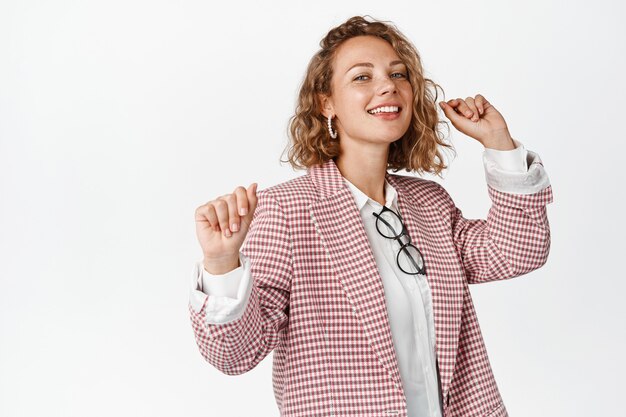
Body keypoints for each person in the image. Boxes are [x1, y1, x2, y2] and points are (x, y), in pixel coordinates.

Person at [189, 15, 552, 417]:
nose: (387, 85)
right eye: (362, 77)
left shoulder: (429, 203)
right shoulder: (287, 211)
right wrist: (222, 266)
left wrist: (499, 144)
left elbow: (519, 250)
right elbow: (235, 354)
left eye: (398, 74)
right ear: (327, 103)